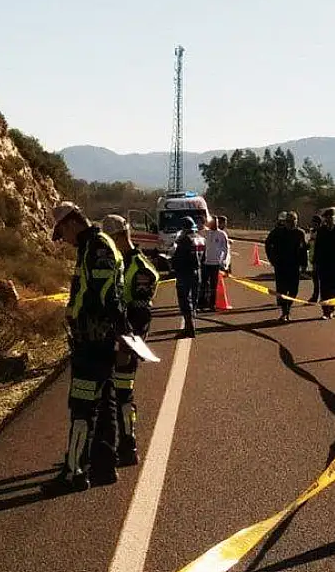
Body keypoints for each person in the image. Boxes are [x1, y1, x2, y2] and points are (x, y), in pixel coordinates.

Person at [46, 201, 131, 492]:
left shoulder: (97, 248)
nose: (64, 241)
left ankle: (74, 473)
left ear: (71, 223)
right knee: (105, 402)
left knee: (81, 407)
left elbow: (108, 297)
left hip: (94, 345)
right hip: (95, 342)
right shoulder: (90, 247)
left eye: (62, 233)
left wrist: (123, 334)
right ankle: (104, 466)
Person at [100, 215, 159, 467]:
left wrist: (126, 346)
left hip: (127, 343)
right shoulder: (117, 262)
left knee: (123, 395)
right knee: (109, 395)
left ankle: (128, 445)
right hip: (111, 339)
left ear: (121, 236)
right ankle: (109, 445)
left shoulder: (140, 267)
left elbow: (140, 313)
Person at [265, 211, 309, 322]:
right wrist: (272, 259)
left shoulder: (300, 233)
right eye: (288, 221)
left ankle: (288, 307)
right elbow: (268, 243)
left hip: (294, 266)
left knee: (294, 290)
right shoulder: (278, 232)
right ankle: (285, 312)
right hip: (281, 266)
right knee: (282, 290)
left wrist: (304, 264)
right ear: (285, 222)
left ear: (296, 221)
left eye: (293, 221)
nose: (291, 223)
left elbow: (303, 250)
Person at [170, 216, 205, 337]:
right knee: (194, 300)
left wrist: (172, 263)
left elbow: (178, 258)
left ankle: (189, 328)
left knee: (185, 300)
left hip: (185, 273)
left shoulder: (185, 240)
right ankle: (191, 326)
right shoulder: (201, 239)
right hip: (198, 272)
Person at [312, 209, 335, 319]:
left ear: (334, 218)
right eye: (326, 217)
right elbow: (317, 247)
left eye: (330, 217)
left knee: (334, 287)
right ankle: (325, 311)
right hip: (323, 263)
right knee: (324, 288)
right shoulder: (322, 230)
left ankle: (331, 309)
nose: (328, 219)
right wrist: (315, 262)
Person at [200, 216, 230, 311]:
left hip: (216, 263)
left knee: (214, 285)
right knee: (203, 284)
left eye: (216, 222)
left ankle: (212, 305)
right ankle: (201, 304)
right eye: (213, 222)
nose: (215, 224)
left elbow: (226, 249)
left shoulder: (222, 234)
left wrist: (224, 262)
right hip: (206, 263)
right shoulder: (206, 233)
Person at [307, 214, 323, 302]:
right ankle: (315, 296)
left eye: (313, 222)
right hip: (313, 258)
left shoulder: (322, 232)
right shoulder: (312, 232)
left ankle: (320, 297)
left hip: (320, 259)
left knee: (321, 280)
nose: (312, 224)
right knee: (315, 280)